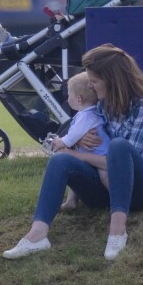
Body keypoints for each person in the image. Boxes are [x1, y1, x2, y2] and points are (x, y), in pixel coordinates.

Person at [2, 43, 143, 261]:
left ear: (112, 79)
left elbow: (125, 162)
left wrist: (76, 154)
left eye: (94, 81)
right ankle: (38, 234)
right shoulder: (103, 104)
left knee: (119, 146)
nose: (91, 87)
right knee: (61, 160)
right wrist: (80, 142)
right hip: (111, 185)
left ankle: (117, 230)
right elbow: (89, 135)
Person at [50, 71, 111, 211]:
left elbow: (73, 136)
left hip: (101, 156)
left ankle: (118, 201)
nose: (67, 98)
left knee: (105, 178)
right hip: (92, 154)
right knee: (77, 171)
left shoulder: (86, 115)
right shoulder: (91, 113)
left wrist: (60, 142)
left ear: (79, 99)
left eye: (69, 94)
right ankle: (71, 201)